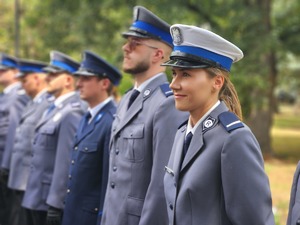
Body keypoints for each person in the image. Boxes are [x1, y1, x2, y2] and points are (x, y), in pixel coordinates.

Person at [162, 24, 275, 225]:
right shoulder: (182, 134)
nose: (174, 84)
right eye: (174, 74)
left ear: (217, 82)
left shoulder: (233, 140)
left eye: (186, 74)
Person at [101, 6, 188, 225]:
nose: (125, 48)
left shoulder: (166, 103)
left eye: (135, 43)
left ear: (158, 54)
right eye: (127, 42)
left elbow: (161, 186)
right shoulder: (127, 100)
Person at [21, 51, 86, 225]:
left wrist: (56, 203)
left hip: (48, 199)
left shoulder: (72, 111)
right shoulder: (52, 108)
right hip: (36, 196)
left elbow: (65, 161)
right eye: (48, 73)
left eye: (54, 74)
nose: (48, 78)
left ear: (68, 80)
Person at [62, 50, 122, 225]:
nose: (78, 84)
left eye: (85, 79)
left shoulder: (111, 121)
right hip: (73, 212)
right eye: (79, 78)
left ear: (104, 83)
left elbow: (107, 180)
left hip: (90, 217)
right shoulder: (87, 117)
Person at [8, 59, 53, 225]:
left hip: (31, 181)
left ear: (36, 78)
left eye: (24, 80)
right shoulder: (31, 103)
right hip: (20, 179)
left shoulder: (47, 104)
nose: (22, 85)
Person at [0, 53, 29, 225]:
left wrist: (6, 164)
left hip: (6, 164)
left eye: (4, 70)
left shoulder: (17, 96)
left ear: (15, 72)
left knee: (7, 212)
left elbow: (13, 131)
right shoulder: (6, 96)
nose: (0, 73)